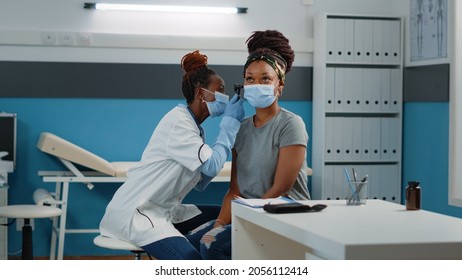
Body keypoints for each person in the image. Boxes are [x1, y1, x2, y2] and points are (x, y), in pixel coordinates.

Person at [99, 50, 244, 260]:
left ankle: (184, 247)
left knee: (226, 215)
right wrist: (229, 127)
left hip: (163, 209)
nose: (225, 97)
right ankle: (185, 254)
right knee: (190, 262)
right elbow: (211, 166)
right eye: (219, 90)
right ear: (201, 94)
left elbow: (201, 182)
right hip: (137, 213)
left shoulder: (194, 127)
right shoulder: (179, 122)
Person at [186, 30, 311, 260]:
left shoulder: (290, 124)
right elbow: (235, 191)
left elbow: (279, 190)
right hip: (249, 214)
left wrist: (241, 223)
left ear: (279, 84)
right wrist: (220, 223)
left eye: (265, 78)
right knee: (191, 244)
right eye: (250, 78)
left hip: (283, 216)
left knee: (213, 248)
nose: (256, 84)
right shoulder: (241, 128)